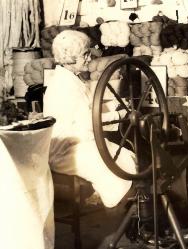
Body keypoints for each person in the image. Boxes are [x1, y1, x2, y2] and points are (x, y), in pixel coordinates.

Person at [43, 30, 136, 208]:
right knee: (119, 164)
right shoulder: (64, 85)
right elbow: (88, 121)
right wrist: (119, 115)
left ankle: (131, 211)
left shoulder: (71, 79)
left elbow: (86, 112)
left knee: (127, 157)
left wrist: (116, 107)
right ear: (69, 59)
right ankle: (125, 210)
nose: (89, 58)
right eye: (84, 54)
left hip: (79, 142)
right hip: (66, 151)